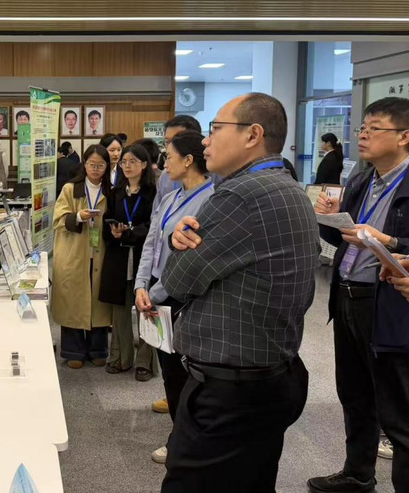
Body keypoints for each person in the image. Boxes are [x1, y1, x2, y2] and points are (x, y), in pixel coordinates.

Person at [162, 93, 319, 492]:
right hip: (271, 374)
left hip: (230, 392)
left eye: (216, 129)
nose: (205, 140)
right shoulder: (288, 187)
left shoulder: (239, 196)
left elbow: (177, 282)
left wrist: (176, 247)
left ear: (253, 135)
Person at [309, 97, 409, 493]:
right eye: (363, 128)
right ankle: (357, 473)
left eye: (375, 129)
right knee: (355, 394)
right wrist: (329, 216)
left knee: (401, 410)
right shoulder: (361, 180)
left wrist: (387, 239)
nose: (362, 135)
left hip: (391, 303)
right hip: (347, 296)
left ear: (405, 136)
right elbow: (345, 239)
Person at [134, 131, 214, 465]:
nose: (163, 162)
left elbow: (192, 259)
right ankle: (179, 435)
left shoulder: (211, 200)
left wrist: (154, 292)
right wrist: (141, 284)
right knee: (170, 372)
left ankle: (184, 441)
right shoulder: (170, 198)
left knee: (187, 376)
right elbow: (151, 243)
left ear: (189, 160)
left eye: (169, 156)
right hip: (157, 292)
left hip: (184, 297)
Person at [52, 145, 113, 368]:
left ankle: (98, 349)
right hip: (74, 253)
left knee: (98, 301)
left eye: (100, 165)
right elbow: (58, 220)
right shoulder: (70, 189)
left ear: (107, 167)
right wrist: (78, 216)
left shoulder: (110, 190)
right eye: (91, 164)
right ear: (84, 164)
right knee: (73, 300)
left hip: (100, 253)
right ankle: (73, 351)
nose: (95, 169)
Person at [100, 144, 157, 375]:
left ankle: (145, 362)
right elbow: (106, 223)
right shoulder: (116, 193)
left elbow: (154, 227)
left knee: (146, 308)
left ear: (144, 164)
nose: (127, 165)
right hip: (119, 257)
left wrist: (130, 233)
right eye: (124, 161)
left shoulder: (153, 193)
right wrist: (113, 231)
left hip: (143, 256)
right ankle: (120, 358)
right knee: (120, 310)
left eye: (132, 161)